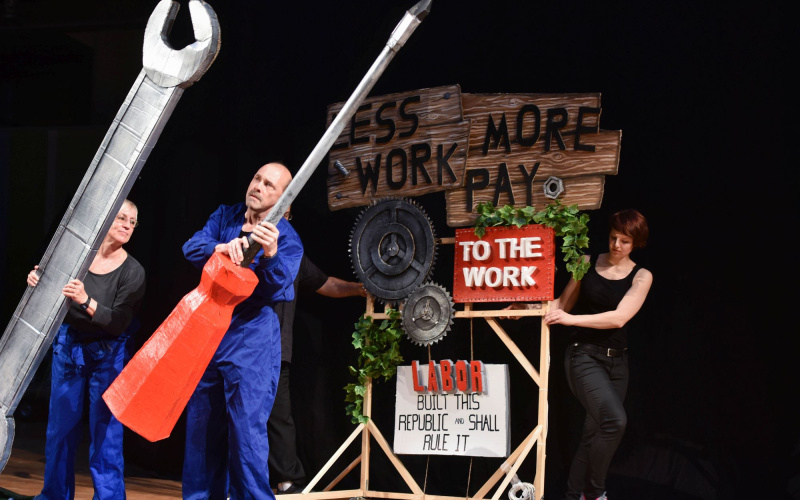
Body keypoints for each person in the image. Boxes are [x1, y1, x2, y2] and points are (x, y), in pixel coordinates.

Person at [505, 209, 653, 500]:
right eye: (613, 238)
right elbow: (561, 304)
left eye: (625, 241)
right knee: (614, 421)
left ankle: (574, 496)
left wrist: (569, 320)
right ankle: (596, 493)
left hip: (617, 362)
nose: (616, 246)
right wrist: (525, 310)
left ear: (636, 243)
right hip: (583, 356)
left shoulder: (642, 276)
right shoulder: (586, 263)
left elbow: (619, 318)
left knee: (594, 432)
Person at [181, 162, 303, 500]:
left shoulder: (286, 237)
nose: (258, 186)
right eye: (256, 178)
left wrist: (271, 254)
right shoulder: (226, 216)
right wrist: (218, 248)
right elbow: (191, 247)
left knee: (246, 434)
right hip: (210, 330)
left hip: (251, 337)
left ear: (284, 202)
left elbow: (281, 291)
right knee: (201, 430)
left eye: (269, 185)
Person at [27, 199, 146, 500]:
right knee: (60, 431)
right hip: (70, 347)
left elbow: (118, 322)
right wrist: (37, 280)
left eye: (132, 222)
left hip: (109, 353)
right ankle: (54, 495)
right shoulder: (77, 256)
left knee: (106, 435)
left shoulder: (133, 272)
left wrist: (85, 300)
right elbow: (50, 281)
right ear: (106, 219)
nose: (127, 225)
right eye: (121, 218)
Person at [270, 210, 366, 493]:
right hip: (246, 348)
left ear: (288, 214)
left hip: (278, 350)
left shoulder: (293, 254)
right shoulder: (247, 242)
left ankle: (287, 480)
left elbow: (327, 285)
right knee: (242, 416)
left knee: (279, 417)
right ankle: (236, 479)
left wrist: (360, 289)